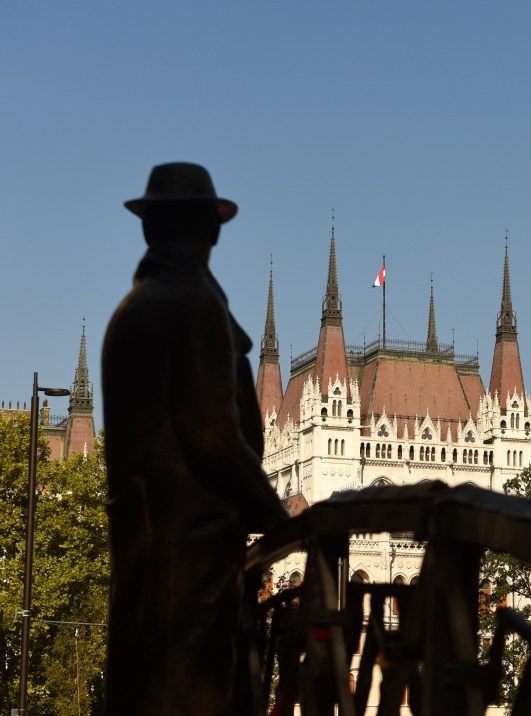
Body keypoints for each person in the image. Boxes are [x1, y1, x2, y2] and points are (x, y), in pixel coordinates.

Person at [102, 163, 288, 715]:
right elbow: (211, 435)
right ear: (208, 229)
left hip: (147, 542)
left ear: (149, 229)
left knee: (143, 679)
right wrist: (276, 514)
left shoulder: (132, 310)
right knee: (189, 685)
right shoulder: (191, 304)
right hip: (191, 548)